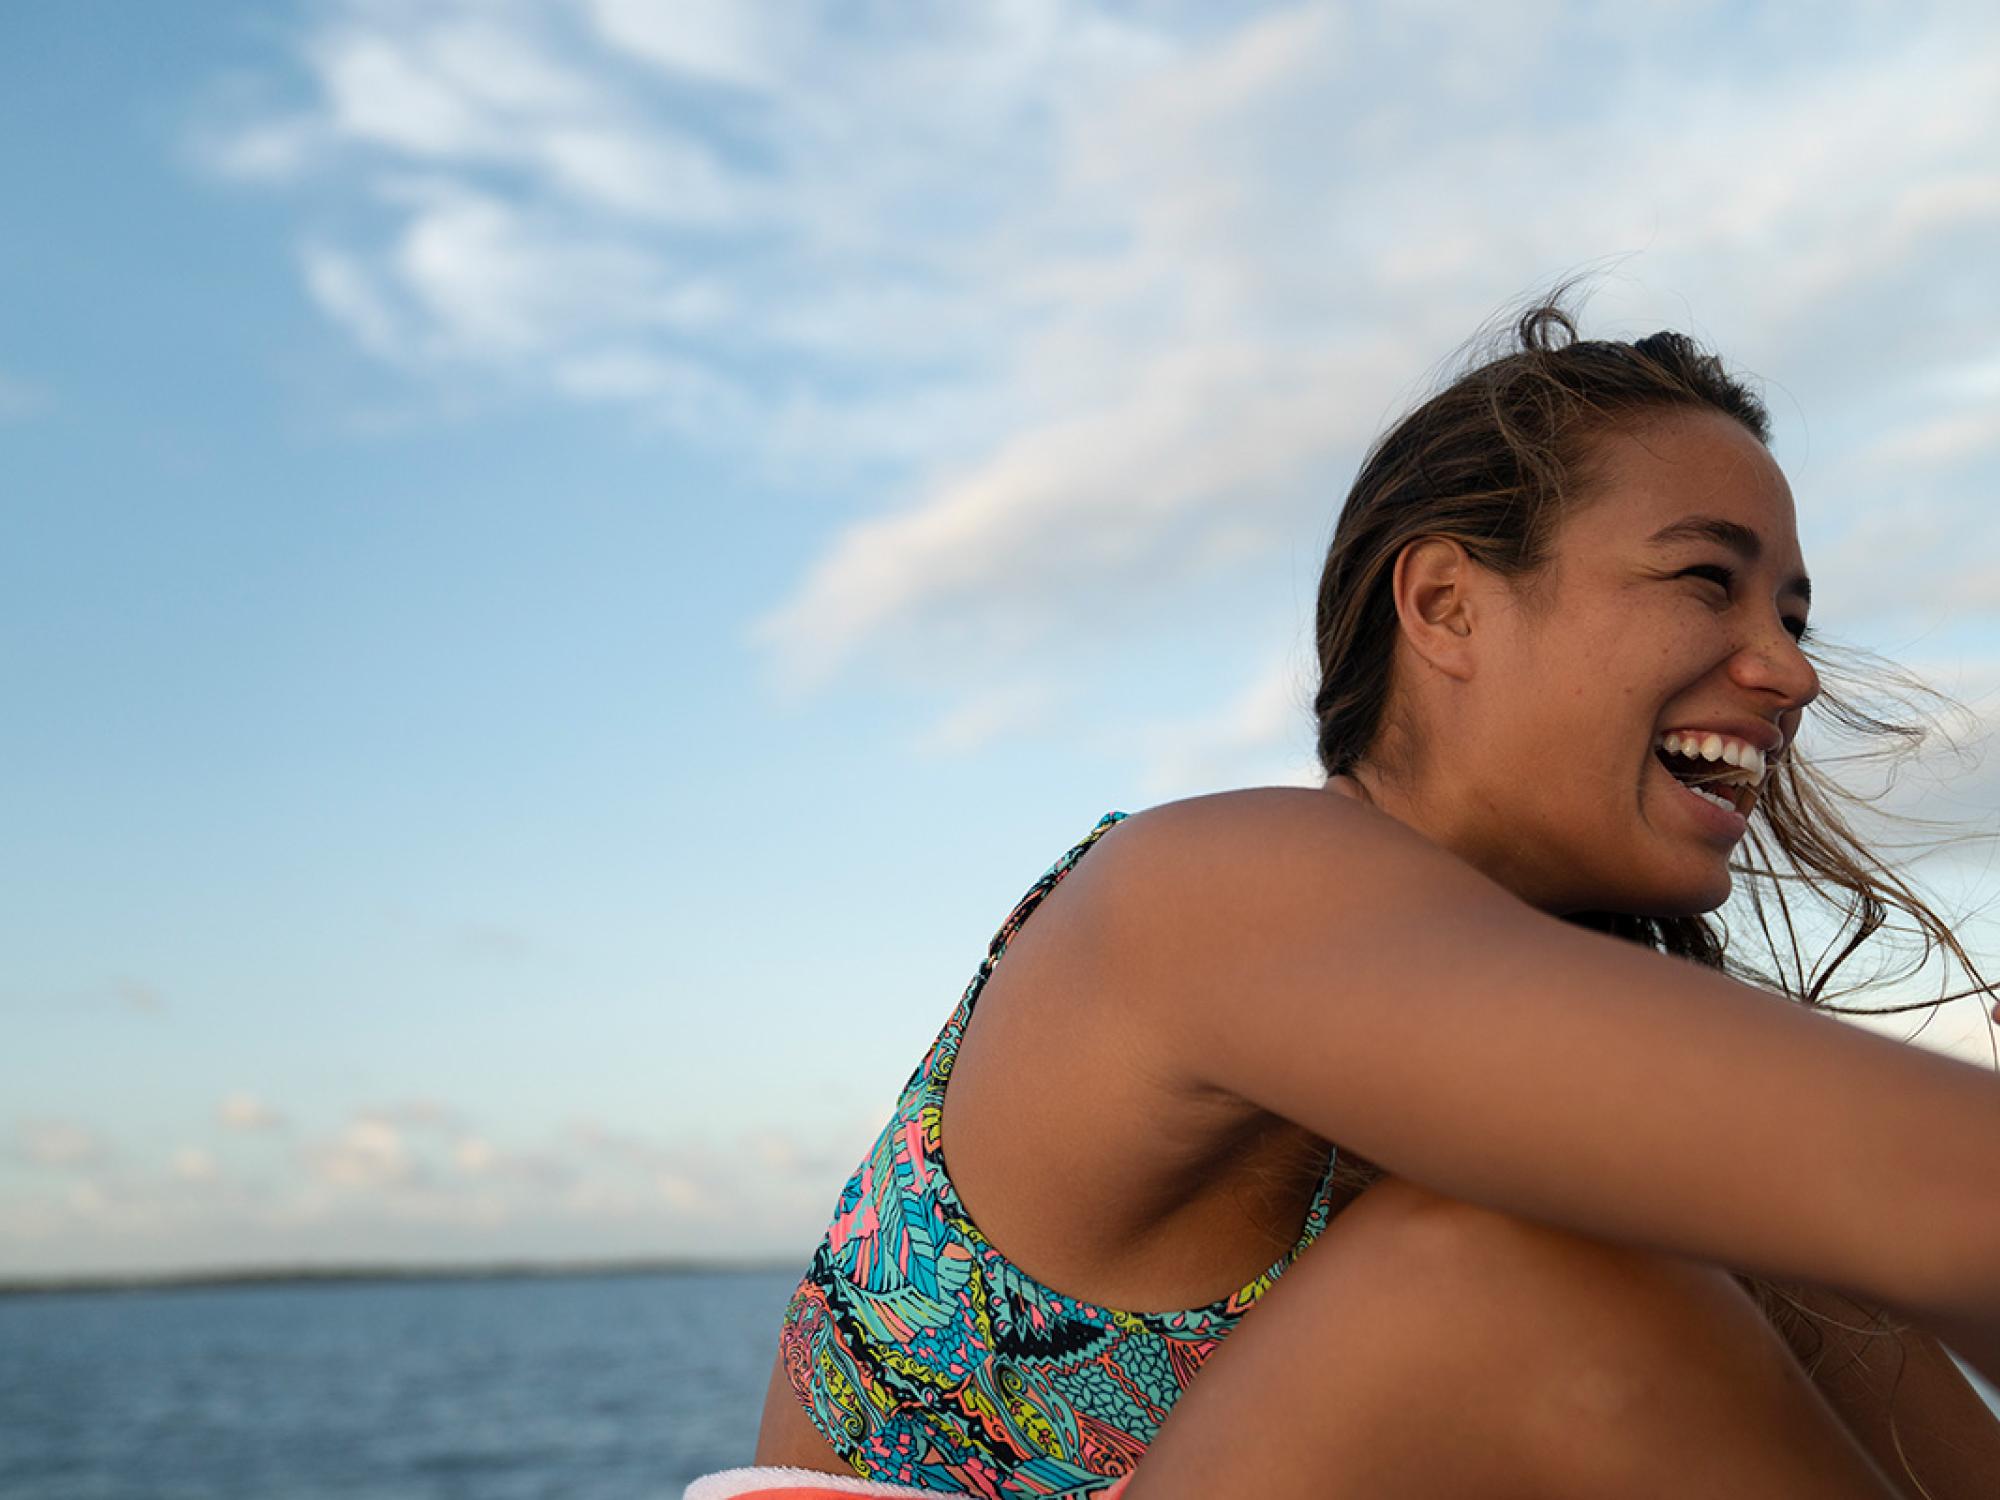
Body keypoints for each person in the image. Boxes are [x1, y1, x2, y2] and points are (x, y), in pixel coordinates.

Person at [749, 291, 2000, 1497]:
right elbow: (1951, 1193)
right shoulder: (1212, 894)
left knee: (1748, 1234)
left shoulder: (1566, 1118)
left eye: (1791, 615)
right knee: (1506, 1278)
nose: (1788, 672)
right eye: (1701, 581)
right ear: (1444, 605)